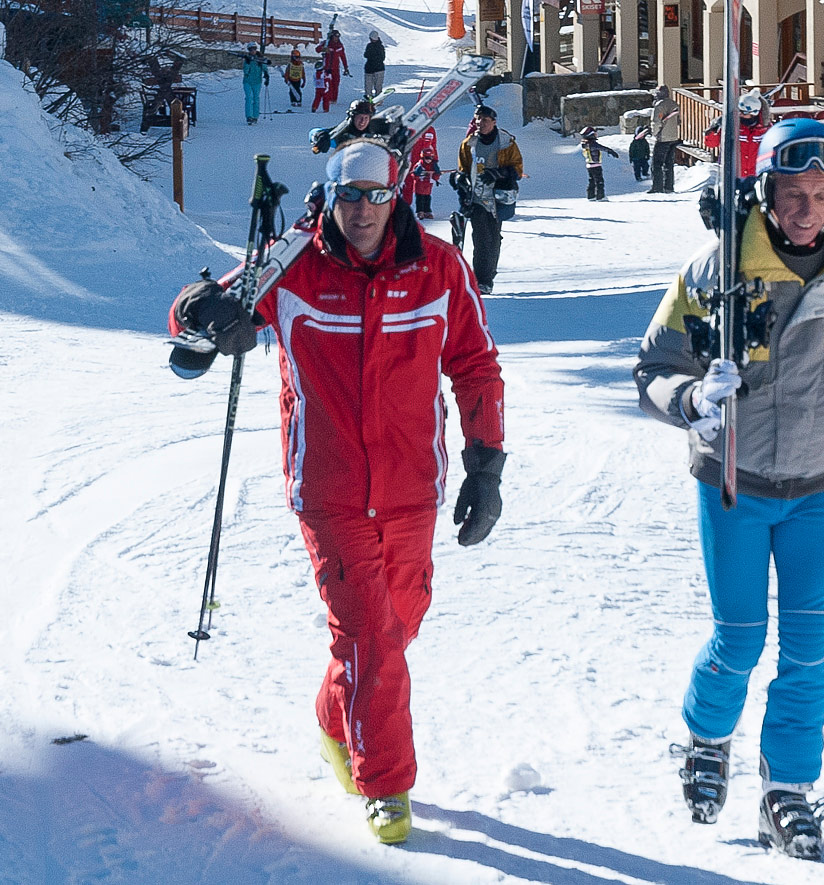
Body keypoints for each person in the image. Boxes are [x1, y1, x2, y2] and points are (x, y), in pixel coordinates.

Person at [166, 140, 506, 846]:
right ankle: (386, 783)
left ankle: (335, 716)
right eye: (349, 196)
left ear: (398, 195)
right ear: (330, 197)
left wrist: (486, 464)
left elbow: (475, 365)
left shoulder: (438, 270)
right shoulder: (295, 268)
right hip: (329, 489)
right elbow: (202, 315)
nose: (362, 211)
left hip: (413, 488)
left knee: (397, 625)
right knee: (371, 634)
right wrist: (202, 311)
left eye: (375, 197)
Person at [633, 118, 824, 862]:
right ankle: (706, 739)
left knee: (807, 650)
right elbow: (652, 371)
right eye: (791, 193)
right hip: (733, 481)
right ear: (764, 191)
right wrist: (694, 396)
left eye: (821, 194)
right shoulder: (717, 269)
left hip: (818, 490)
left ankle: (787, 789)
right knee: (738, 637)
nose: (805, 209)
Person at [457, 104, 523, 295]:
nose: (480, 123)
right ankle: (481, 280)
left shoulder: (506, 143)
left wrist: (498, 173)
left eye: (485, 120)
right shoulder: (469, 143)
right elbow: (462, 170)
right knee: (481, 238)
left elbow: (517, 169)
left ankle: (486, 278)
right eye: (478, 119)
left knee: (493, 238)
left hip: (498, 199)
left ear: (494, 122)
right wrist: (461, 186)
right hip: (477, 198)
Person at [702, 89, 771, 177]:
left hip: (756, 175)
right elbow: (711, 144)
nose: (740, 115)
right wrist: (712, 131)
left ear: (754, 113)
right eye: (738, 111)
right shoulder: (731, 125)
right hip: (732, 176)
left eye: (744, 112)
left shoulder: (765, 129)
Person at [310, 98, 390, 153]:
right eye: (360, 117)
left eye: (366, 118)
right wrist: (319, 135)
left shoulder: (376, 130)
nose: (362, 122)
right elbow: (313, 133)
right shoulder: (343, 134)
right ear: (353, 118)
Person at [648, 85, 682, 193]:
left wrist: (653, 133)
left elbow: (657, 122)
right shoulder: (674, 104)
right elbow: (678, 121)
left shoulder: (659, 106)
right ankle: (669, 187)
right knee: (669, 163)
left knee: (657, 164)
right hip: (673, 137)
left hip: (663, 138)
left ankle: (657, 187)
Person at [405, 126, 442, 219]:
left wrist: (435, 163)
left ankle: (425, 210)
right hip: (412, 163)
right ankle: (404, 209)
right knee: (408, 186)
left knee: (425, 189)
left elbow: (433, 146)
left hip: (427, 164)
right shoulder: (412, 127)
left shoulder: (431, 130)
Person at [579, 127, 620, 202]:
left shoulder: (585, 143)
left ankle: (591, 195)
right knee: (599, 181)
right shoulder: (592, 144)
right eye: (594, 134)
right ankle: (600, 196)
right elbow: (602, 148)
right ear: (590, 135)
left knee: (591, 180)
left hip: (589, 165)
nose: (596, 135)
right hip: (596, 165)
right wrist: (611, 151)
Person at [313, 30, 348, 113]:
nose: (336, 38)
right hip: (327, 68)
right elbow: (317, 49)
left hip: (336, 68)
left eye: (338, 37)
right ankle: (327, 99)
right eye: (335, 37)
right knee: (328, 84)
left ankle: (334, 99)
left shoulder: (340, 45)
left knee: (336, 83)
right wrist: (324, 49)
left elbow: (343, 56)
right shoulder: (326, 43)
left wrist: (346, 67)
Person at [240, 43, 269, 124]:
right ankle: (249, 116)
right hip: (247, 81)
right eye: (251, 49)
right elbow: (245, 71)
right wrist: (248, 63)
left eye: (254, 49)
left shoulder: (260, 59)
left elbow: (265, 68)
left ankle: (255, 116)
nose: (252, 51)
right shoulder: (247, 59)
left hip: (257, 82)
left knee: (256, 98)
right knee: (248, 98)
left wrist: (267, 76)